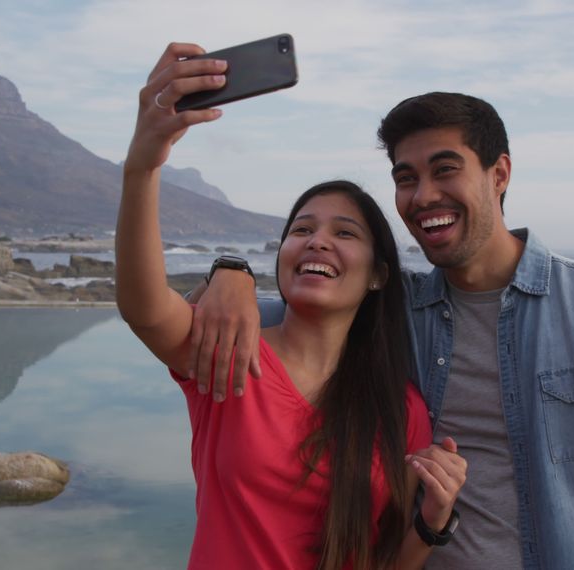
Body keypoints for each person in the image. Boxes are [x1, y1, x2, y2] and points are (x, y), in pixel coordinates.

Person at [194, 92, 574, 568]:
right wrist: (230, 271)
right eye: (406, 178)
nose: (424, 195)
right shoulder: (387, 308)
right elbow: (250, 314)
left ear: (500, 174)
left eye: (445, 170)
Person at [115, 43, 467, 570]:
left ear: (377, 275)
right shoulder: (228, 351)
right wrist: (143, 166)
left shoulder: (401, 408)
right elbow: (143, 307)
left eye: (343, 233)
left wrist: (432, 521)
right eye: (301, 230)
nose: (317, 241)